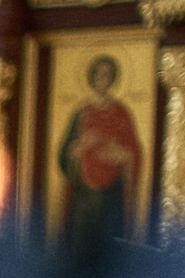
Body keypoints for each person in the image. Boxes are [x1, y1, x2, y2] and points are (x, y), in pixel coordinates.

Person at [57, 56, 144, 260]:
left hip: (111, 195)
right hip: (83, 195)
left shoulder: (121, 113)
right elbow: (64, 155)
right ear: (91, 77)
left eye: (107, 74)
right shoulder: (81, 114)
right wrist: (80, 147)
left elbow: (134, 152)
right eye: (98, 74)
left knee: (108, 249)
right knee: (82, 248)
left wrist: (122, 155)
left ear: (113, 78)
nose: (102, 78)